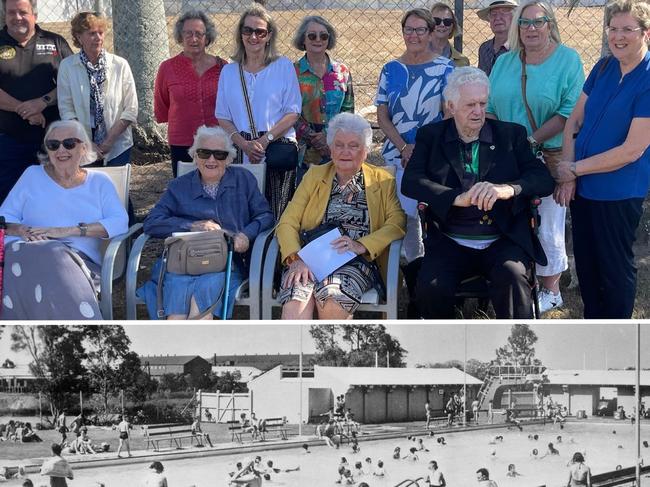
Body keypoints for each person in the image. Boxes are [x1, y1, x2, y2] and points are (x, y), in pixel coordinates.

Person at [402, 67, 555, 319]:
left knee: (514, 277)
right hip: (450, 239)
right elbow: (412, 181)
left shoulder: (510, 135)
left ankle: (520, 351)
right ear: (450, 106)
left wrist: (508, 189)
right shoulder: (432, 136)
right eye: (470, 104)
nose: (478, 111)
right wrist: (454, 197)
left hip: (502, 238)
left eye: (483, 103)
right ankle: (441, 352)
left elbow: (542, 179)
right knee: (430, 288)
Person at [553, 0, 650, 318]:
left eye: (627, 29)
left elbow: (631, 150)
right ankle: (592, 329)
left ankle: (618, 336)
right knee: (589, 265)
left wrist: (573, 169)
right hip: (585, 188)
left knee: (614, 268)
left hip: (619, 192)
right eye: (613, 29)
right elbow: (573, 122)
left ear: (645, 33)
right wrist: (569, 173)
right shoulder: (603, 67)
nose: (618, 36)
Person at [487, 0, 584, 314]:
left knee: (548, 223)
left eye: (537, 22)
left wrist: (530, 139)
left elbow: (568, 113)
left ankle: (551, 289)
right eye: (524, 23)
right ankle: (516, 280)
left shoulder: (568, 60)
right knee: (512, 217)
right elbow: (490, 105)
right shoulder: (505, 61)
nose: (530, 29)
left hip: (549, 154)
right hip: (506, 154)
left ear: (550, 24)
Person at [276, 112, 406, 319]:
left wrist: (363, 245)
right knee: (296, 300)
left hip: (354, 262)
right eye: (339, 145)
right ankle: (297, 352)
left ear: (365, 151)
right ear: (331, 148)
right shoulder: (314, 176)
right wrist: (296, 258)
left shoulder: (382, 180)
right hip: (311, 259)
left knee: (331, 299)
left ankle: (330, 352)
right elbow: (287, 222)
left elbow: (397, 222)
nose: (345, 151)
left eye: (353, 145)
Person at [137, 125, 274, 319]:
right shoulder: (179, 186)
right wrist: (192, 225)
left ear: (228, 159)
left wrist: (246, 234)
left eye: (219, 154)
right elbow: (152, 222)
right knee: (176, 316)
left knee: (200, 312)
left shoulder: (244, 180)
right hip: (181, 264)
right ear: (194, 156)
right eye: (204, 153)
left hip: (224, 263)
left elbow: (265, 216)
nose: (211, 159)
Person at [0, 119, 128, 320]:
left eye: (69, 143)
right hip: (24, 251)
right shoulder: (32, 175)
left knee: (52, 252)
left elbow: (119, 222)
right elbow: (4, 218)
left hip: (77, 262)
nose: (61, 150)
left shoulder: (99, 182)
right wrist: (20, 230)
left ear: (83, 148)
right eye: (53, 145)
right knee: (38, 254)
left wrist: (67, 231)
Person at [375, 8, 454, 317]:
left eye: (422, 29)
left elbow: (448, 115)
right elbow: (383, 115)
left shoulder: (446, 69)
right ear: (403, 31)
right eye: (410, 29)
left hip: (433, 155)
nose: (415, 35)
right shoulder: (391, 69)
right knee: (406, 221)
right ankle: (414, 288)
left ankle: (436, 287)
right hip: (398, 154)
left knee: (433, 219)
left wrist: (420, 148)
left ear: (432, 31)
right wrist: (404, 146)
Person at [216, 3, 302, 218]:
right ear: (240, 34)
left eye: (260, 32)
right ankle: (243, 252)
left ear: (269, 35)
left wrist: (264, 141)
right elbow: (222, 116)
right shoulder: (229, 71)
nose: (253, 37)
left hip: (274, 149)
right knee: (240, 212)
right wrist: (244, 144)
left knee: (276, 212)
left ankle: (272, 252)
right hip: (240, 150)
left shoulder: (283, 66)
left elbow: (293, 111)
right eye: (247, 30)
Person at [0, 0, 73, 204]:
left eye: (23, 12)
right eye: (11, 12)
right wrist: (24, 109)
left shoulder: (55, 42)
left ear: (35, 15)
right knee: (8, 198)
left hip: (54, 141)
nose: (17, 18)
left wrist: (42, 102)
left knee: (54, 196)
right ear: (4, 15)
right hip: (7, 138)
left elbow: (72, 82)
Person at [57, 12, 137, 168]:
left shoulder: (120, 65)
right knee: (86, 189)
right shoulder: (67, 67)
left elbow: (131, 109)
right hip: (81, 143)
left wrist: (109, 141)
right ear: (79, 37)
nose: (98, 38)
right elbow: (66, 109)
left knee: (117, 190)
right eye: (92, 33)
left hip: (118, 144)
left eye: (100, 33)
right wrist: (86, 142)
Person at [154, 9, 227, 177]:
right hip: (182, 142)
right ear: (180, 37)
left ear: (207, 37)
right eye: (188, 34)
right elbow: (162, 108)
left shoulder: (223, 67)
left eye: (199, 34)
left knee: (217, 186)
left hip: (216, 142)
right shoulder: (167, 68)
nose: (194, 39)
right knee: (186, 192)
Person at [293, 15, 354, 169]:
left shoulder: (342, 72)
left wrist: (328, 136)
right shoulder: (292, 72)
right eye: (312, 35)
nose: (318, 40)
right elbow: (288, 111)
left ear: (329, 39)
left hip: (337, 148)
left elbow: (348, 110)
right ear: (303, 40)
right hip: (302, 151)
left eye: (323, 36)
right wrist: (314, 138)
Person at [476, 0, 518, 75]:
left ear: (515, 17)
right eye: (493, 14)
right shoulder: (485, 48)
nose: (498, 18)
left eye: (504, 12)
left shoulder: (521, 48)